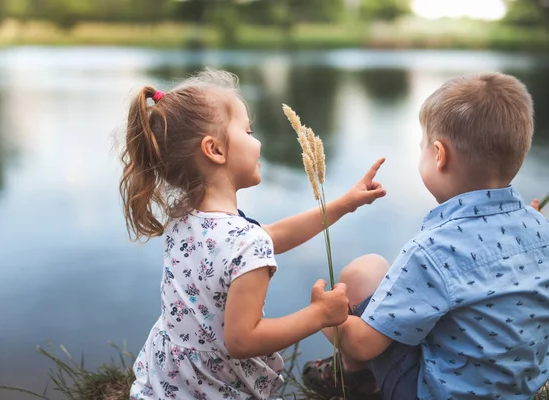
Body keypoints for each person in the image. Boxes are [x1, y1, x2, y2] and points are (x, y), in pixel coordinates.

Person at [120, 69, 387, 400]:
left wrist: (343, 204)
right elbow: (243, 340)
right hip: (214, 391)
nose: (258, 140)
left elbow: (268, 237)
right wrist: (319, 315)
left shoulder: (186, 220)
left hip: (164, 386)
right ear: (215, 150)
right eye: (248, 131)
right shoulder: (244, 241)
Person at [303, 72, 549, 400]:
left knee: (365, 272)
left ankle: (355, 379)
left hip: (435, 394)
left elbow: (362, 342)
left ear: (438, 155)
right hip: (517, 389)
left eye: (421, 148)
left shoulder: (433, 250)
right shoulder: (541, 229)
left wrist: (324, 317)